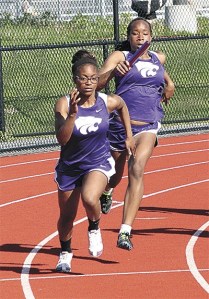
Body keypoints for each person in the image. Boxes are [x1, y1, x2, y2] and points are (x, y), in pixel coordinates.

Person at [97, 17, 175, 250]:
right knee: (115, 173)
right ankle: (109, 190)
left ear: (151, 37)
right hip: (121, 126)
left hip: (148, 125)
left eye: (144, 33)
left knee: (137, 168)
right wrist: (113, 71)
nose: (140, 37)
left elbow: (162, 73)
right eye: (134, 33)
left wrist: (169, 84)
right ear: (129, 37)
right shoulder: (120, 57)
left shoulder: (158, 57)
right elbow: (97, 83)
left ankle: (125, 231)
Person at [54, 52, 135, 272]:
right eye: (83, 78)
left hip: (97, 162)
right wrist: (72, 114)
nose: (88, 82)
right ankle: (65, 253)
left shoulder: (105, 101)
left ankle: (94, 227)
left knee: (90, 198)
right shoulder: (63, 103)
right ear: (75, 80)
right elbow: (62, 139)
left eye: (92, 78)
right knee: (67, 217)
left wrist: (128, 135)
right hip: (70, 167)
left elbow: (122, 105)